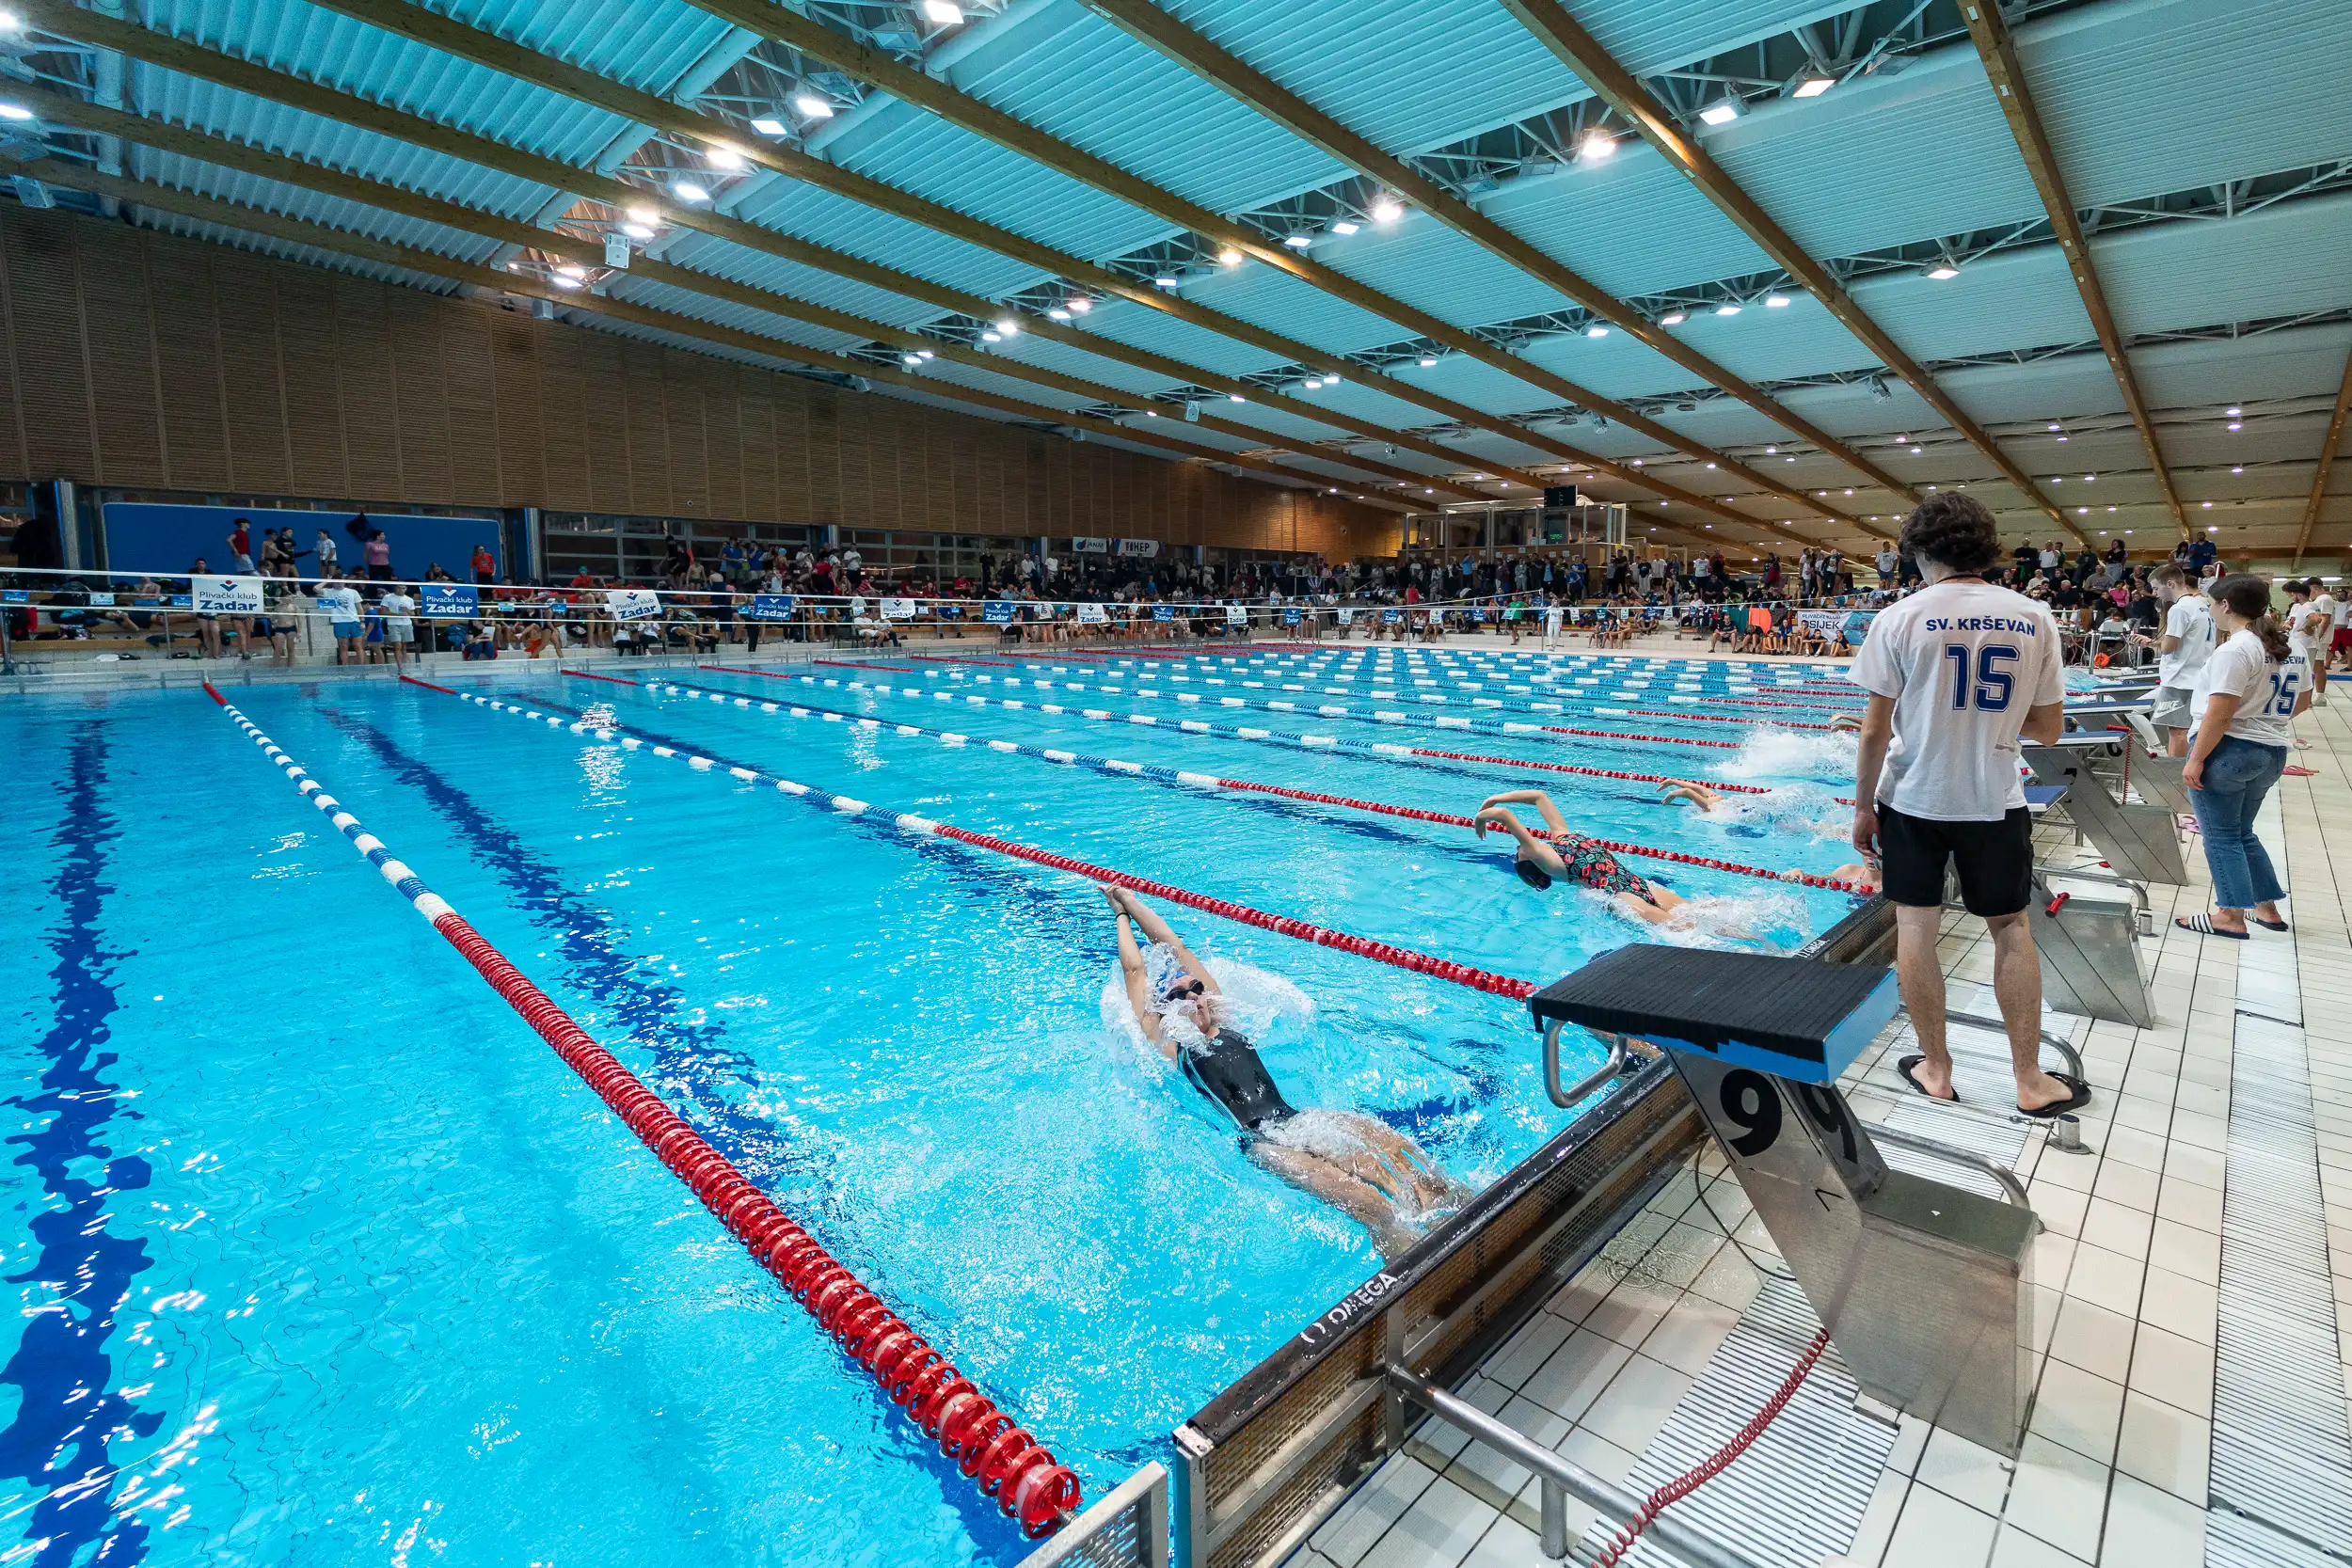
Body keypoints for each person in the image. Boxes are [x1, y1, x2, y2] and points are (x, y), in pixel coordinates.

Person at [1848, 493, 2087, 1117]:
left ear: (1922, 552)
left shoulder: (1898, 618)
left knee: (1916, 929)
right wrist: (1992, 717)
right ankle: (2030, 1080)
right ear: (1987, 548)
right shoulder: (2033, 616)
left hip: (1913, 799)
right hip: (1995, 799)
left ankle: (1936, 1067)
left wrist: (1862, 808)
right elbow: (2050, 728)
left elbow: (1875, 731)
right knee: (2011, 928)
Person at [1100, 886, 1459, 1257]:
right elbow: (1134, 969)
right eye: (1179, 995)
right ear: (1166, 1009)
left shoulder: (1224, 1019)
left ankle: (1467, 1216)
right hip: (1264, 1144)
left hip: (1296, 1120)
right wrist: (1120, 915)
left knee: (1402, 1153)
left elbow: (1177, 948)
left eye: (1196, 988)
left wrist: (1131, 900)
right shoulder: (1172, 1045)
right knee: (1374, 1207)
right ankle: (1416, 1281)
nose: (1192, 995)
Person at [2175, 575, 2310, 938]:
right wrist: (2266, 721)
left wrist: (2197, 758)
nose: (2209, 611)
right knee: (2241, 832)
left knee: (2220, 837)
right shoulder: (2291, 645)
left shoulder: (2236, 649)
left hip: (2230, 751)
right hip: (2272, 751)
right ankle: (2266, 909)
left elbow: (2220, 711)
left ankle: (2229, 916)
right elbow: (2305, 700)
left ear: (2226, 606)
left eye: (2210, 605)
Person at [1470, 789, 1692, 927]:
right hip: (1624, 895)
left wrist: (1493, 799)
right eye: (1518, 855)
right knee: (1687, 929)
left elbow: (1539, 797)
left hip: (1635, 887)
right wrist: (1484, 813)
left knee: (1697, 913)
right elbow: (1503, 815)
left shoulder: (1560, 837)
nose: (1518, 848)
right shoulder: (1546, 860)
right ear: (1531, 862)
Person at [2143, 564, 2214, 758]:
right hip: (2198, 674)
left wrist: (2154, 644)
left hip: (2180, 678)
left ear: (2170, 584)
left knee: (2178, 732)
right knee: (2187, 730)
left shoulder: (2179, 609)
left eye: (2157, 588)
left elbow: (2169, 647)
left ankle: (2175, 781)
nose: (2155, 594)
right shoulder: (2203, 604)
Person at [315, 571, 363, 665]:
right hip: (339, 622)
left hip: (354, 621)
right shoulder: (329, 592)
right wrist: (326, 581)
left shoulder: (353, 592)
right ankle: (345, 669)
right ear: (333, 582)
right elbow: (315, 588)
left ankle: (361, 669)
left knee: (358, 645)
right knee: (343, 646)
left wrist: (362, 621)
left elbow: (359, 608)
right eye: (337, 581)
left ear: (344, 582)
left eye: (341, 581)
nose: (340, 583)